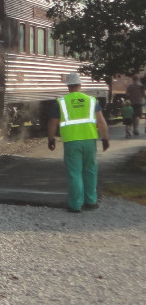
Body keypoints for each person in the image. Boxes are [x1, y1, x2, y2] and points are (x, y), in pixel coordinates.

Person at [47, 71, 110, 213]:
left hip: (72, 142)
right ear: (80, 85)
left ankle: (75, 205)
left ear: (68, 86)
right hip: (90, 141)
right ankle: (91, 201)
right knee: (90, 171)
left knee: (74, 173)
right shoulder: (92, 101)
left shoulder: (61, 102)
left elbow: (52, 122)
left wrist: (51, 139)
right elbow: (101, 122)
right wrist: (105, 138)